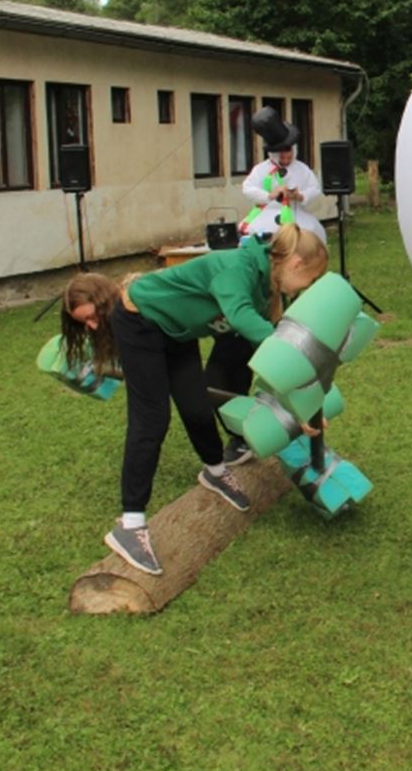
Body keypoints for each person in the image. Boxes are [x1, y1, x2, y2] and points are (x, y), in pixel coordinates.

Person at [61, 225, 328, 575]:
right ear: (294, 264)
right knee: (151, 420)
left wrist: (295, 403)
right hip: (139, 322)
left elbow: (262, 354)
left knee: (197, 407)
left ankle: (215, 471)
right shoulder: (238, 270)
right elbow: (245, 321)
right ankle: (130, 524)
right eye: (309, 279)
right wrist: (297, 369)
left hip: (176, 330)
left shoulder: (263, 281)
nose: (306, 288)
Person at [240, 113, 326, 244]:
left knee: (312, 235)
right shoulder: (261, 169)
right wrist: (270, 195)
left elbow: (314, 188)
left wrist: (299, 196)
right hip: (267, 215)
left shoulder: (301, 168)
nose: (286, 161)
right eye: (282, 158)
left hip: (297, 214)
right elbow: (247, 188)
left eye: (289, 158)